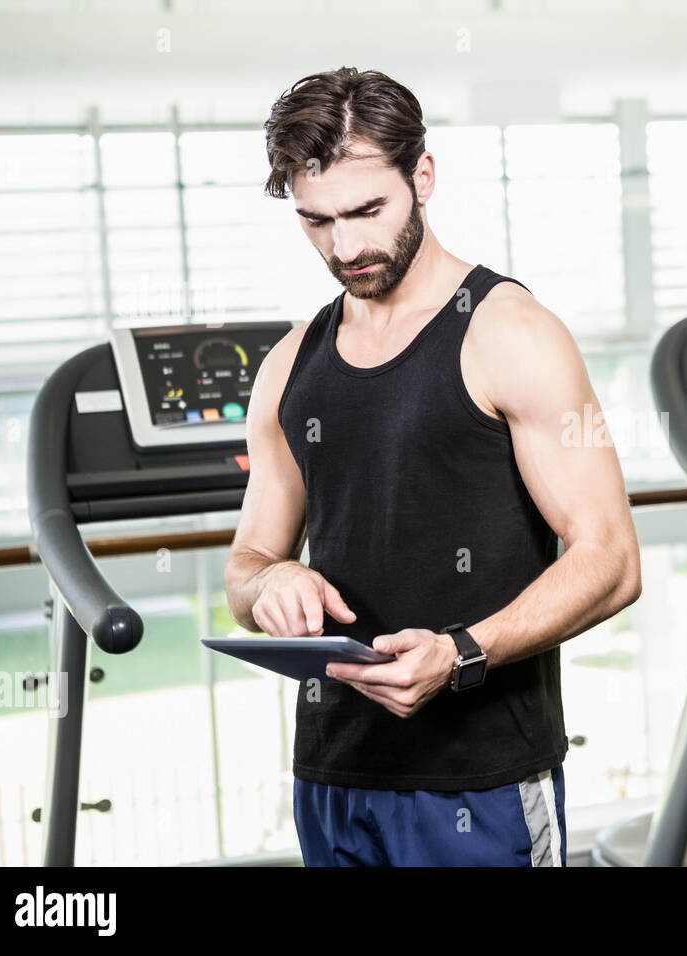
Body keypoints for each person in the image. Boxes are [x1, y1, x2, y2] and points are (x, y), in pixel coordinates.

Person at [223, 67, 642, 867]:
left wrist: (462, 652)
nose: (345, 247)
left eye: (366, 211)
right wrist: (272, 586)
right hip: (334, 777)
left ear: (423, 175)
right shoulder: (288, 366)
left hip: (478, 782)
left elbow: (613, 560)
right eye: (316, 222)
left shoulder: (511, 333)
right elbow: (246, 567)